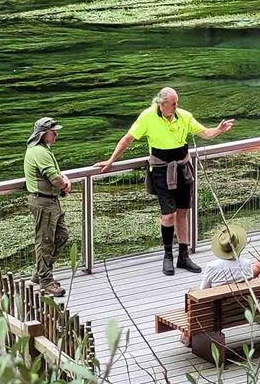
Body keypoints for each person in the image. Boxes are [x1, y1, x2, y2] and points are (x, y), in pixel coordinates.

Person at [95, 87, 235, 276]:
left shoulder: (184, 116)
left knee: (182, 212)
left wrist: (219, 130)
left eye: (177, 103)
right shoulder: (147, 117)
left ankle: (183, 256)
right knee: (168, 214)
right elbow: (127, 139)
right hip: (162, 170)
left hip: (183, 169)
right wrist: (111, 160)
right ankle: (168, 255)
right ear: (162, 105)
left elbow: (206, 134)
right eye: (173, 104)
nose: (177, 106)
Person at [24, 117, 70, 297]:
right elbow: (55, 178)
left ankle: (41, 272)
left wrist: (61, 182)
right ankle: (45, 280)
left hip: (50, 201)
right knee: (45, 241)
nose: (56, 134)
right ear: (43, 134)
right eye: (53, 131)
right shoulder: (39, 152)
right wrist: (65, 184)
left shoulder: (42, 150)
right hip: (43, 202)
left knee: (61, 236)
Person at [200, 224, 254, 290]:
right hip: (242, 299)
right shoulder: (247, 264)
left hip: (218, 299)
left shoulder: (211, 267)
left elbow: (203, 289)